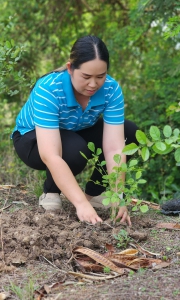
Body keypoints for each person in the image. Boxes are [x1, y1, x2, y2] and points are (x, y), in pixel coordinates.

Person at [12, 35, 138, 226]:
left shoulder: (111, 89)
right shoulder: (49, 88)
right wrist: (79, 204)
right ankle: (50, 193)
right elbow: (50, 154)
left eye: (100, 76)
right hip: (31, 139)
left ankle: (96, 194)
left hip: (76, 130)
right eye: (86, 77)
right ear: (70, 68)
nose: (93, 84)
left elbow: (114, 148)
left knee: (130, 133)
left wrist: (117, 194)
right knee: (75, 149)